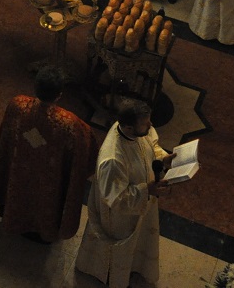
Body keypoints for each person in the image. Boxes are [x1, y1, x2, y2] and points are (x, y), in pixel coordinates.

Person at [0, 66, 96, 242]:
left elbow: (5, 137)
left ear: (36, 87)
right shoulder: (70, 124)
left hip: (20, 169)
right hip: (49, 178)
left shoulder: (17, 105)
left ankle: (12, 217)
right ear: (59, 94)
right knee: (46, 196)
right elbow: (87, 155)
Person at [74, 99, 172, 287]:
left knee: (137, 243)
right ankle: (111, 277)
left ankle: (133, 268)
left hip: (140, 206)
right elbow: (117, 199)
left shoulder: (135, 130)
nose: (150, 125)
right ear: (128, 127)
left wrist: (163, 158)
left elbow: (150, 145)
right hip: (120, 218)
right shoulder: (113, 160)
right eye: (145, 123)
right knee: (118, 252)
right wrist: (148, 189)